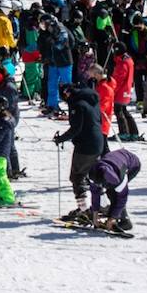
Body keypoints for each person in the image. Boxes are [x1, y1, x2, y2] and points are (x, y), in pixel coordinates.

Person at [53, 81, 105, 224]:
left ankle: (85, 210)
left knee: (77, 177)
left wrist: (61, 139)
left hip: (85, 146)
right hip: (98, 142)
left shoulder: (78, 105)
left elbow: (76, 128)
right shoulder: (92, 100)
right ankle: (100, 205)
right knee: (94, 176)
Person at [87, 148, 140, 234]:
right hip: (117, 159)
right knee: (108, 191)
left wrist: (113, 217)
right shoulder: (94, 173)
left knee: (114, 194)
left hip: (133, 164)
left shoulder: (118, 178)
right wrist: (95, 213)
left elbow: (122, 197)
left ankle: (124, 221)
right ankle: (110, 212)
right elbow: (95, 193)